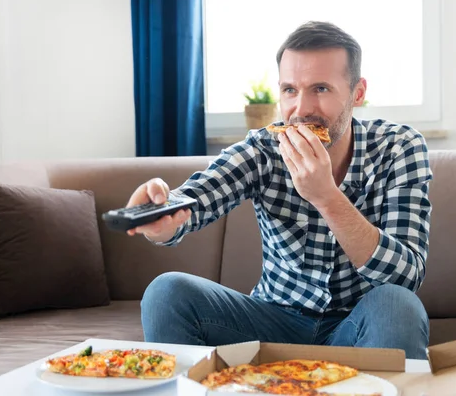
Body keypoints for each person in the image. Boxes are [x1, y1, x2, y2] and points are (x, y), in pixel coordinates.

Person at [127, 21, 433, 360]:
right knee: (166, 292)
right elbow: (196, 198)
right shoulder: (264, 149)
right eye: (290, 90)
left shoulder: (399, 147)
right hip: (272, 323)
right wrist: (162, 216)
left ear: (357, 93)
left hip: (357, 326)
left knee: (397, 303)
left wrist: (327, 198)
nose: (301, 110)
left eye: (320, 88)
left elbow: (406, 276)